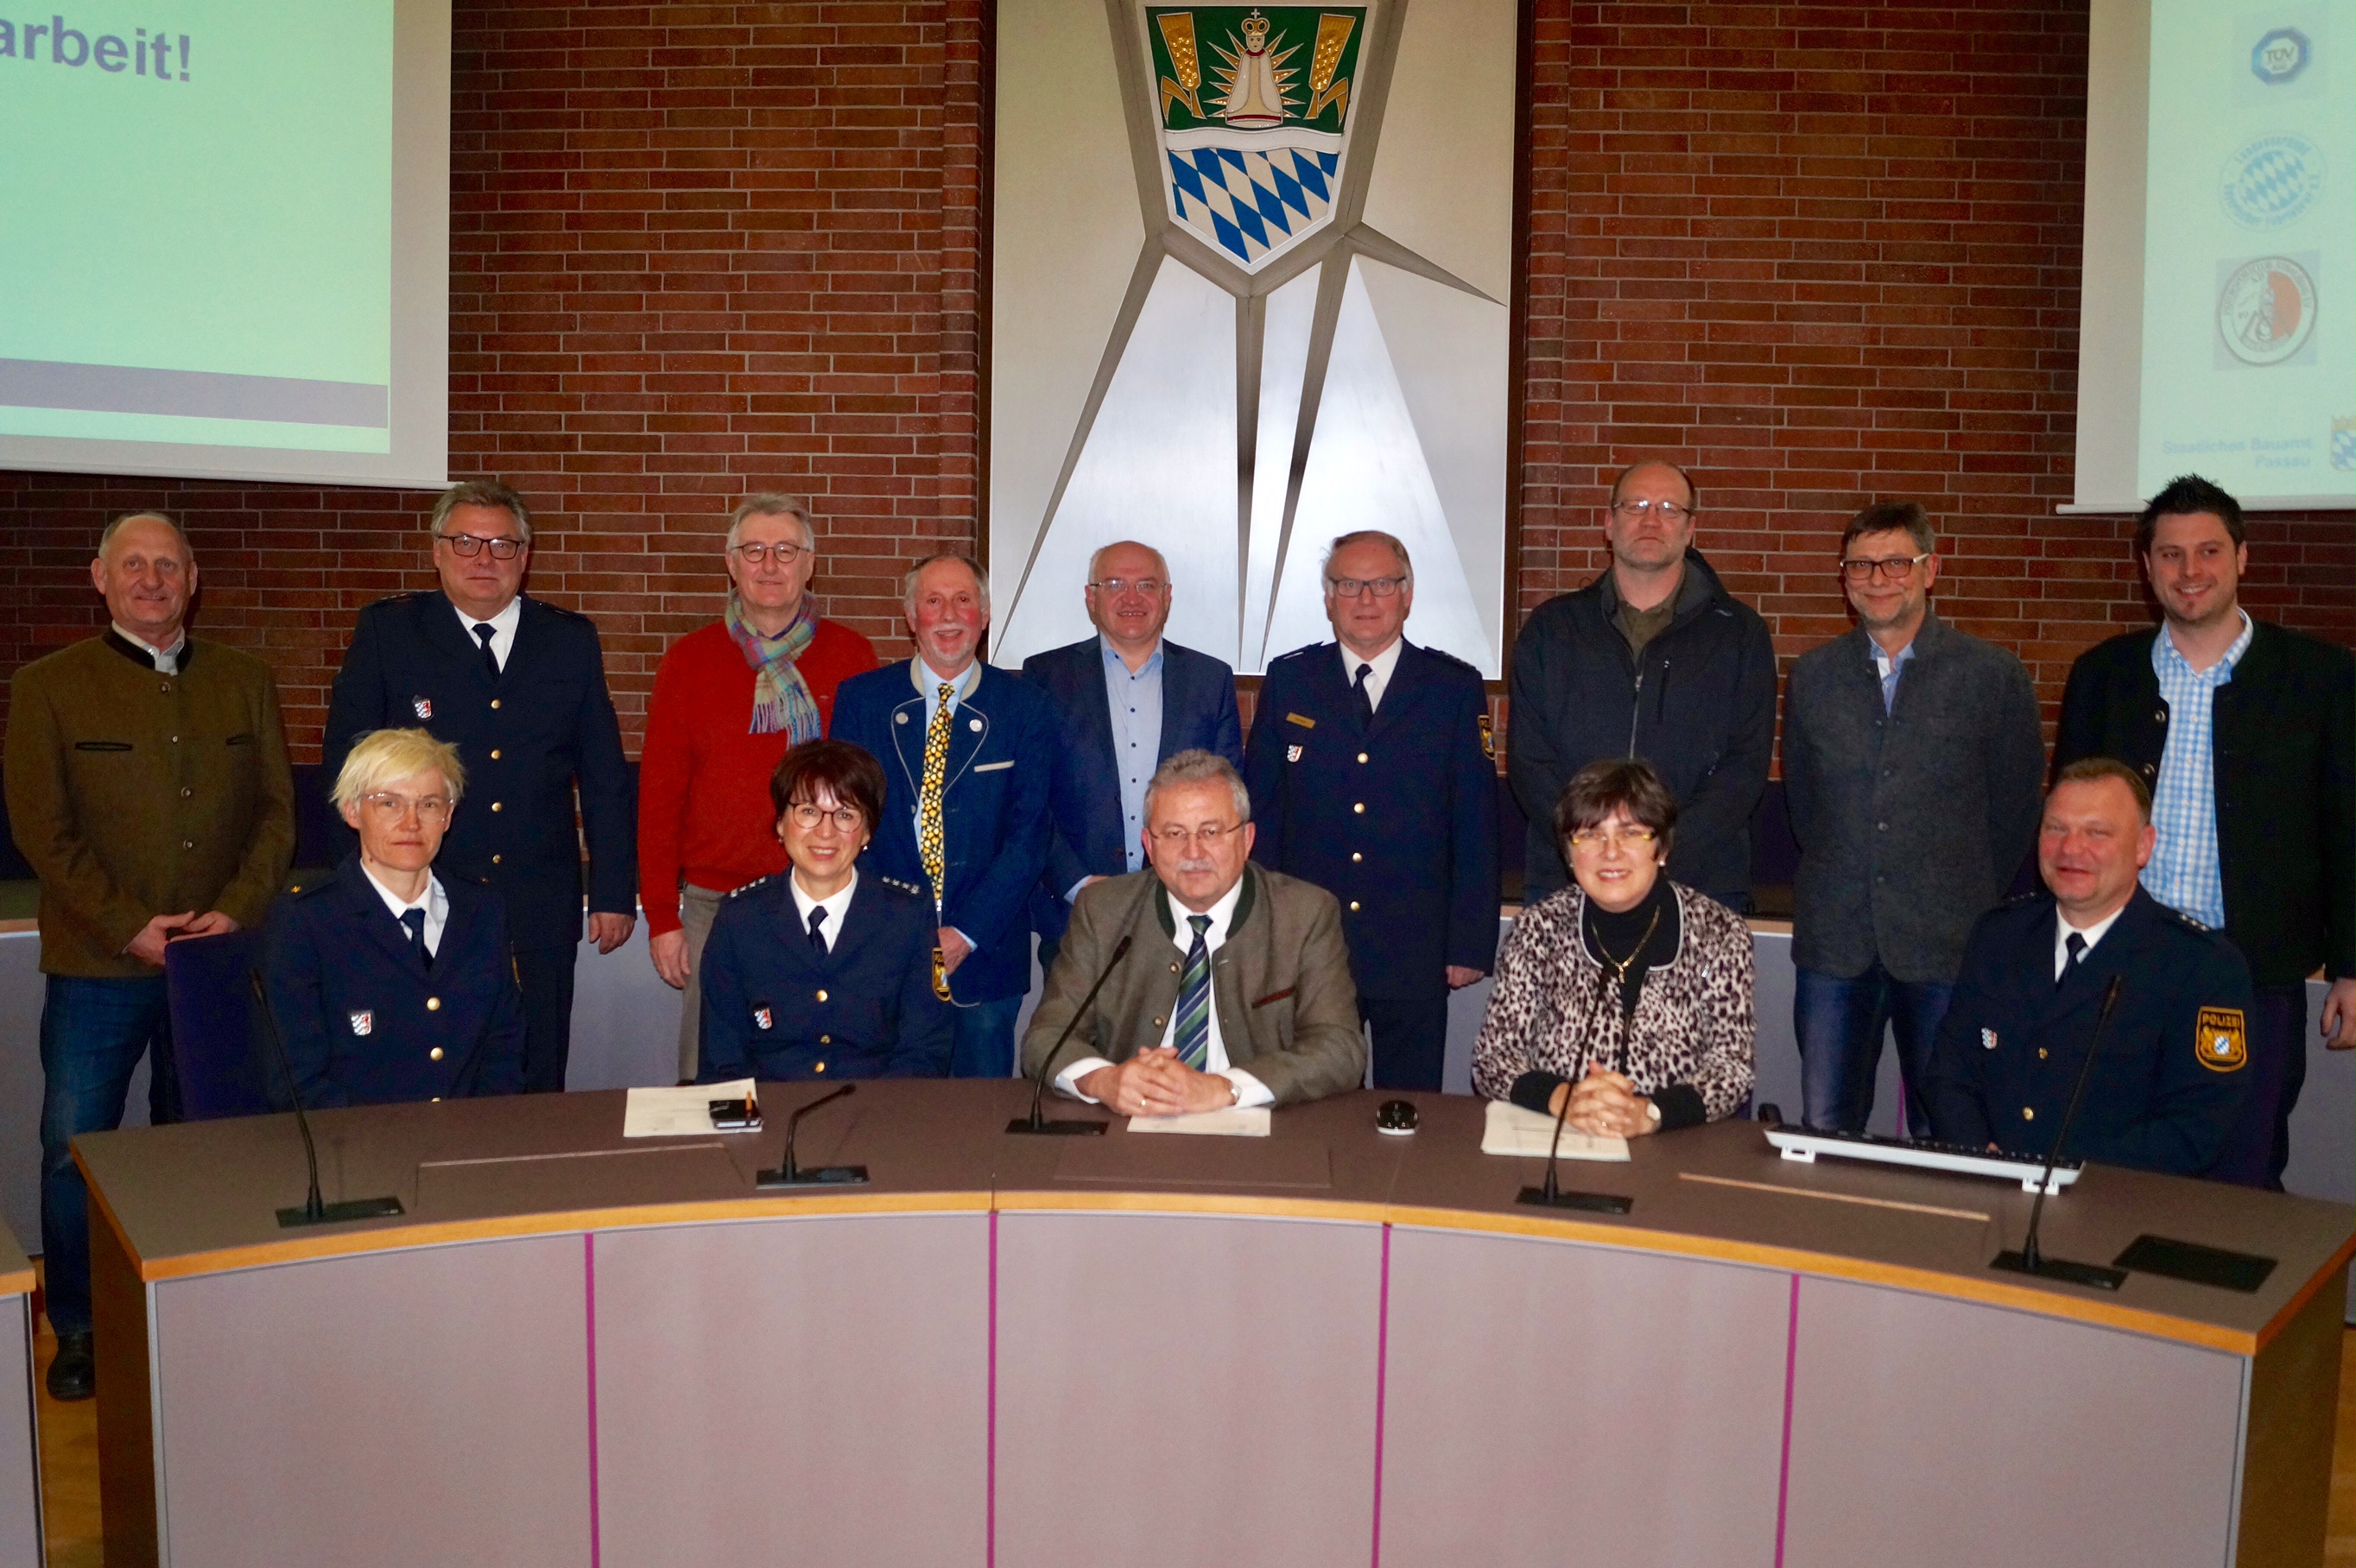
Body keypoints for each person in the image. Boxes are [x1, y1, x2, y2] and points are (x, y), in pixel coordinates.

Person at [4, 510, 295, 1401]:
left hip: (213, 965)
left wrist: (236, 913)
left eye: (167, 565)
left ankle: (187, 1304)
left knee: (199, 1143)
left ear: (193, 577)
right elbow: (42, 832)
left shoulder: (244, 681)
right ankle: (84, 1328)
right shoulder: (52, 686)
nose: (151, 579)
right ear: (100, 577)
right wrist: (129, 922)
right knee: (73, 1147)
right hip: (100, 963)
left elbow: (278, 815)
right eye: (133, 564)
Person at [2052, 474, 2356, 1186]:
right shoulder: (2103, 675)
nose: (2191, 572)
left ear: (2242, 558)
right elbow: (2066, 829)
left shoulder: (2320, 678)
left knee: (2240, 1173)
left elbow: (2348, 825)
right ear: (2147, 566)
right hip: (2119, 966)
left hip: (2251, 974)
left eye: (2209, 551)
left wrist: (2351, 964)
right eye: (2171, 555)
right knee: (2106, 1166)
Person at [321, 479, 636, 1095]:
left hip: (537, 900)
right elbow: (347, 769)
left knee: (538, 1067)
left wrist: (614, 890)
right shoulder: (391, 633)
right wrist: (354, 891)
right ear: (436, 551)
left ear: (526, 555)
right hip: (424, 896)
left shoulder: (569, 640)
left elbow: (603, 775)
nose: (484, 559)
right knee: (432, 1068)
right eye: (465, 542)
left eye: (502, 544)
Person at [1782, 501, 2045, 1135]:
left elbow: (2014, 810)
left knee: (1949, 1129)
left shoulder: (1992, 676)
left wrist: (1958, 890)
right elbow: (1804, 804)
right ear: (1844, 578)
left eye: (1896, 563)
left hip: (1948, 945)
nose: (1878, 579)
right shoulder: (1813, 676)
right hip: (1836, 944)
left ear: (1931, 569)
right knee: (1824, 1125)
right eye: (1862, 566)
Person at [1242, 529, 1497, 1091]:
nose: (1365, 600)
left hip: (1416, 945)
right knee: (1315, 1109)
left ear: (1408, 595)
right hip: (1311, 947)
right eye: (1348, 585)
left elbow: (1476, 826)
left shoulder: (1453, 689)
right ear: (1327, 598)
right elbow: (1263, 813)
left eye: (1382, 584)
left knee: (1411, 1112)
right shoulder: (1291, 679)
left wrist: (1469, 942)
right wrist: (1266, 931)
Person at [638, 496, 878, 1080]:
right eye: (754, 551)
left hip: (825, 899)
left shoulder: (853, 657)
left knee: (818, 1063)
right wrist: (662, 917)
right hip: (714, 905)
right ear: (731, 563)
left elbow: (869, 793)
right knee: (710, 1074)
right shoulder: (688, 662)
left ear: (809, 563)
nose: (770, 566)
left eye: (785, 551)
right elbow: (658, 798)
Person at [1924, 760, 2254, 1179]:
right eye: (2056, 828)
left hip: (2118, 1209)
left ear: (2143, 846)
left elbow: (2195, 1129)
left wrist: (2057, 1173)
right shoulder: (1999, 937)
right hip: (1990, 1190)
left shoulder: (2203, 967)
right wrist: (1978, 1153)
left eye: (2096, 833)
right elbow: (1949, 1072)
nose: (2070, 849)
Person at [1022, 749, 1365, 1110]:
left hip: (1261, 1131)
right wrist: (1104, 1081)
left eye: (1211, 831)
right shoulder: (1103, 911)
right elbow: (1046, 1036)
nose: (1194, 851)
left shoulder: (1305, 914)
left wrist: (1225, 1088)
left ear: (1247, 840)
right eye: (1174, 833)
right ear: (1149, 846)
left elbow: (1340, 1048)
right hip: (1130, 1130)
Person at [1507, 459, 1776, 910]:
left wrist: (1657, 853)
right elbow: (1530, 760)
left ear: (1691, 529)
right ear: (1609, 524)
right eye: (1636, 506)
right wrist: (1596, 850)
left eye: (1670, 508)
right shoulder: (1552, 630)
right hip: (1567, 882)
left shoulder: (1740, 636)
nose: (1652, 519)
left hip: (1700, 884)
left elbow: (1744, 768)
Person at [828, 553, 1060, 1077]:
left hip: (985, 954)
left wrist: (965, 933)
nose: (949, 615)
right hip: (884, 948)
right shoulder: (863, 701)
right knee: (887, 1117)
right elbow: (844, 825)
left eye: (963, 600)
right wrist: (895, 929)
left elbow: (1029, 836)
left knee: (977, 1126)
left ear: (984, 614)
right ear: (911, 617)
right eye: (933, 601)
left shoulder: (1026, 707)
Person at [1471, 758, 1756, 1135]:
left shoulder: (1720, 935)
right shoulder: (1537, 930)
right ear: (1569, 855)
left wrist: (1650, 1114)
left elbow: (1732, 1067)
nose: (1610, 851)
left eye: (1632, 832)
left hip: (1674, 1142)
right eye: (1589, 835)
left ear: (1662, 847)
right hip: (1558, 1137)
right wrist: (1563, 1099)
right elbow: (1493, 1058)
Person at [263, 729, 525, 1106]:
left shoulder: (482, 909)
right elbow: (299, 1082)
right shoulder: (307, 922)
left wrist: (474, 1134)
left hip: (468, 1142)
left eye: (429, 804)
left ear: (449, 816)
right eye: (389, 804)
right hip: (360, 1150)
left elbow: (505, 1049)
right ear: (352, 811)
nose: (411, 823)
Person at [1020, 540, 1243, 974]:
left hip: (1186, 910)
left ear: (1167, 597)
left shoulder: (1209, 680)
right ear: (1091, 597)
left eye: (1147, 585)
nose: (1132, 598)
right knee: (1082, 1042)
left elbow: (1229, 800)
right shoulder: (1045, 678)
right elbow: (1030, 801)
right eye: (1115, 584)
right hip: (1076, 914)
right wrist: (1077, 884)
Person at [696, 740, 951, 1083]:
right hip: (770, 1117)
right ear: (781, 824)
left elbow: (925, 1050)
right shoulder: (739, 920)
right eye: (808, 811)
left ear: (867, 831)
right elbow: (722, 1059)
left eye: (845, 815)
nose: (826, 831)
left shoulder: (907, 917)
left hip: (877, 1115)